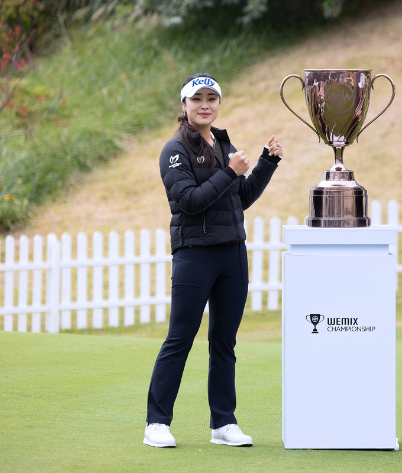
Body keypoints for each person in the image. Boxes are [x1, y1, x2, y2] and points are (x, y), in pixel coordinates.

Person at [144, 73, 283, 448]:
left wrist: (267, 163)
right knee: (181, 337)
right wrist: (229, 172)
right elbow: (189, 201)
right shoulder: (174, 150)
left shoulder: (223, 142)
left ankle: (223, 423)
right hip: (195, 253)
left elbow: (239, 197)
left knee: (224, 341)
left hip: (232, 252)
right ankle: (156, 422)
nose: (205, 104)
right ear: (184, 106)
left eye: (212, 98)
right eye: (197, 99)